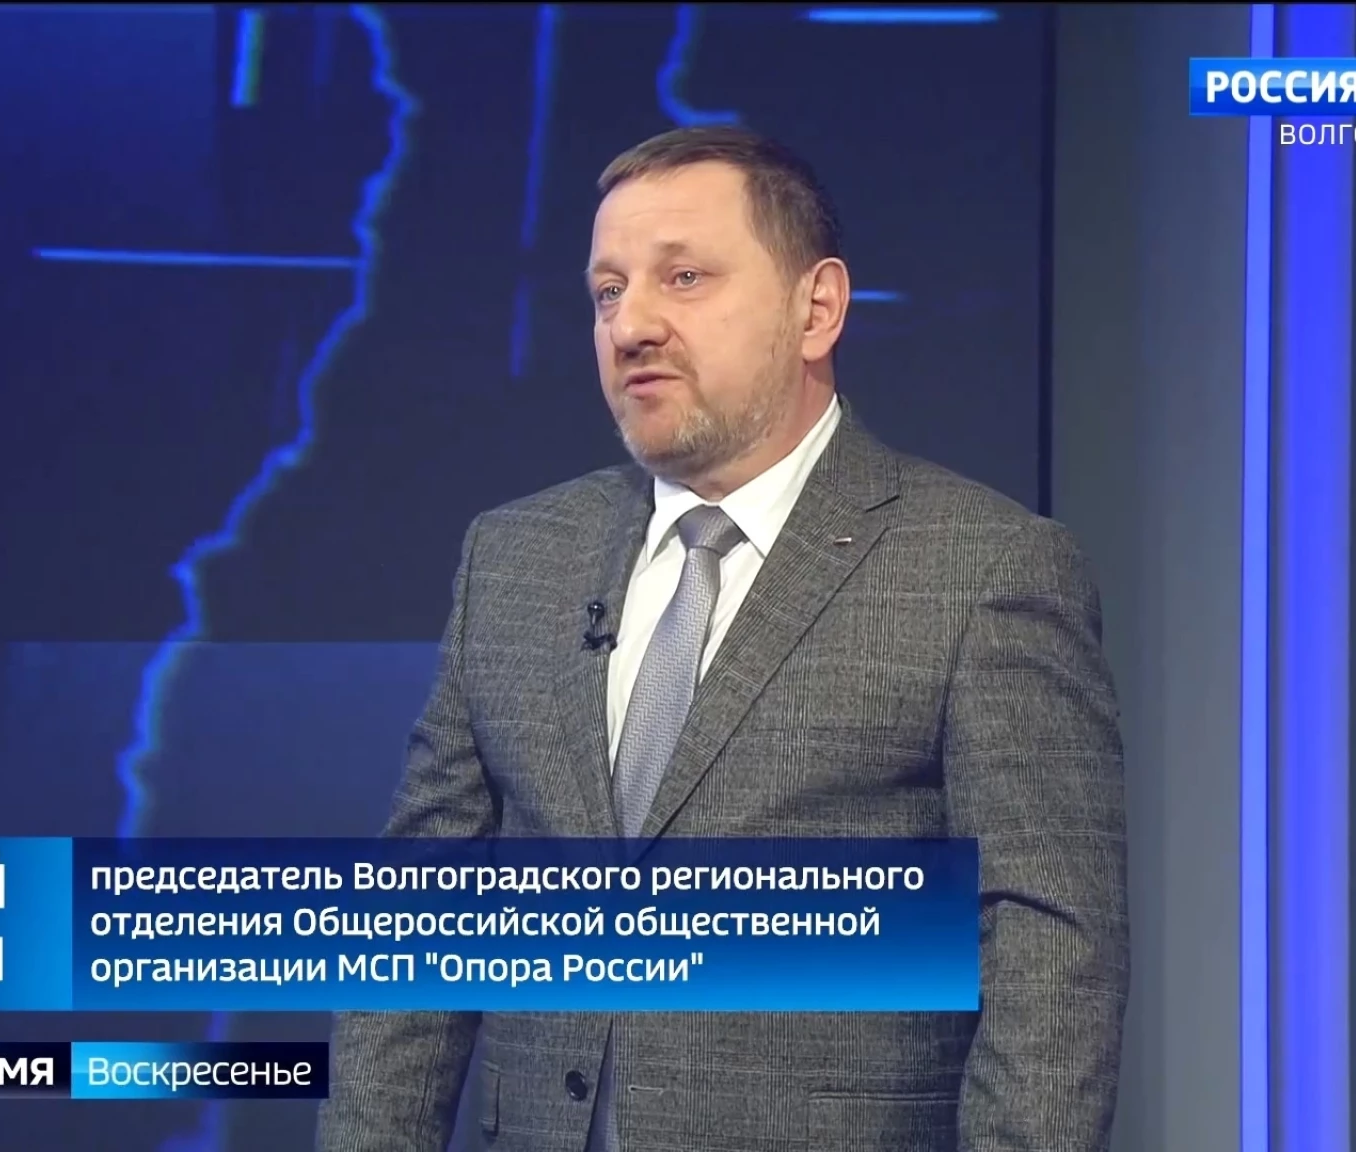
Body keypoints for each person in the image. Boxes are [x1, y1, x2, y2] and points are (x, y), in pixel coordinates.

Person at [319, 125, 1128, 1152]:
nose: (631, 326)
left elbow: (1051, 958)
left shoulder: (983, 569)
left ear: (816, 309)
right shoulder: (516, 558)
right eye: (607, 291)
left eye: (684, 278)